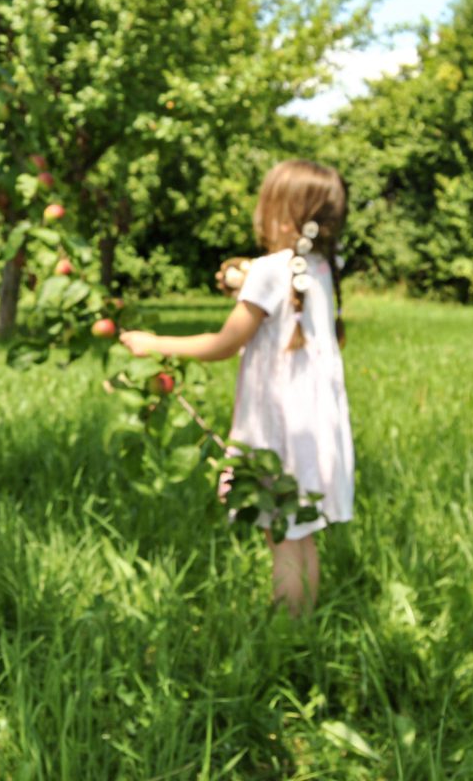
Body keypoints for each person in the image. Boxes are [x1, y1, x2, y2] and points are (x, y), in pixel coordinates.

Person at [119, 160, 353, 616]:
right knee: (300, 531)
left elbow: (224, 344)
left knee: (281, 534)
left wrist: (153, 344)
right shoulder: (324, 267)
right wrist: (242, 279)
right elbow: (279, 294)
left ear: (283, 216)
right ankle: (304, 625)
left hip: (280, 426)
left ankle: (287, 633)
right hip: (315, 425)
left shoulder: (271, 271)